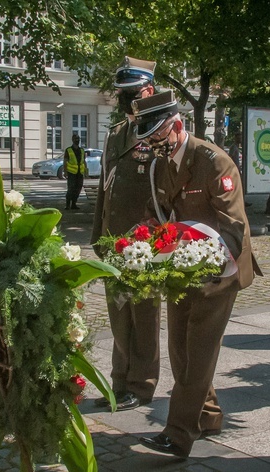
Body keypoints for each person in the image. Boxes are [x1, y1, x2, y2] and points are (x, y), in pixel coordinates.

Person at [132, 90, 261, 458]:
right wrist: (140, 246)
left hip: (219, 270)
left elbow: (234, 227)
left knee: (198, 353)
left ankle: (177, 434)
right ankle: (207, 415)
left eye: (157, 133)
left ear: (176, 125)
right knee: (179, 350)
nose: (153, 141)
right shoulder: (159, 165)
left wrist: (205, 263)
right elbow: (155, 213)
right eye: (148, 135)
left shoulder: (213, 161)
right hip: (180, 271)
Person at [90, 56, 160, 411]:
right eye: (120, 94)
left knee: (143, 315)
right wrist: (97, 233)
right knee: (119, 313)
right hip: (113, 239)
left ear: (148, 91)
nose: (123, 101)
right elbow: (106, 187)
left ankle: (142, 383)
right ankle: (120, 381)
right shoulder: (117, 133)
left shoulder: (160, 130)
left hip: (145, 244)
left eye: (130, 93)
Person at [63, 134, 87, 209]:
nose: (77, 140)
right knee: (71, 189)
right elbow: (65, 161)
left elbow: (84, 161)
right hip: (71, 173)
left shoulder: (82, 150)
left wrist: (86, 171)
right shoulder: (68, 150)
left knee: (78, 188)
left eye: (78, 139)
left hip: (80, 173)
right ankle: (67, 205)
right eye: (76, 139)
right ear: (72, 140)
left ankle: (74, 204)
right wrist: (65, 172)